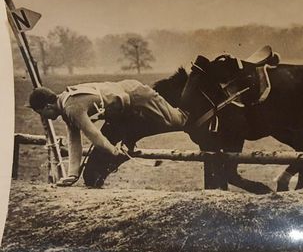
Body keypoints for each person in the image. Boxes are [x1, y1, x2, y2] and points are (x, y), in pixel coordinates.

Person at [27, 80, 188, 186]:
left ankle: (197, 82)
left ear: (48, 106)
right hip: (122, 110)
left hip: (136, 94)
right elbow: (74, 141)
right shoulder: (65, 105)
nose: (44, 118)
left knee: (179, 120)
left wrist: (112, 151)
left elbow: (94, 136)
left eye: (41, 113)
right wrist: (72, 175)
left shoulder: (71, 107)